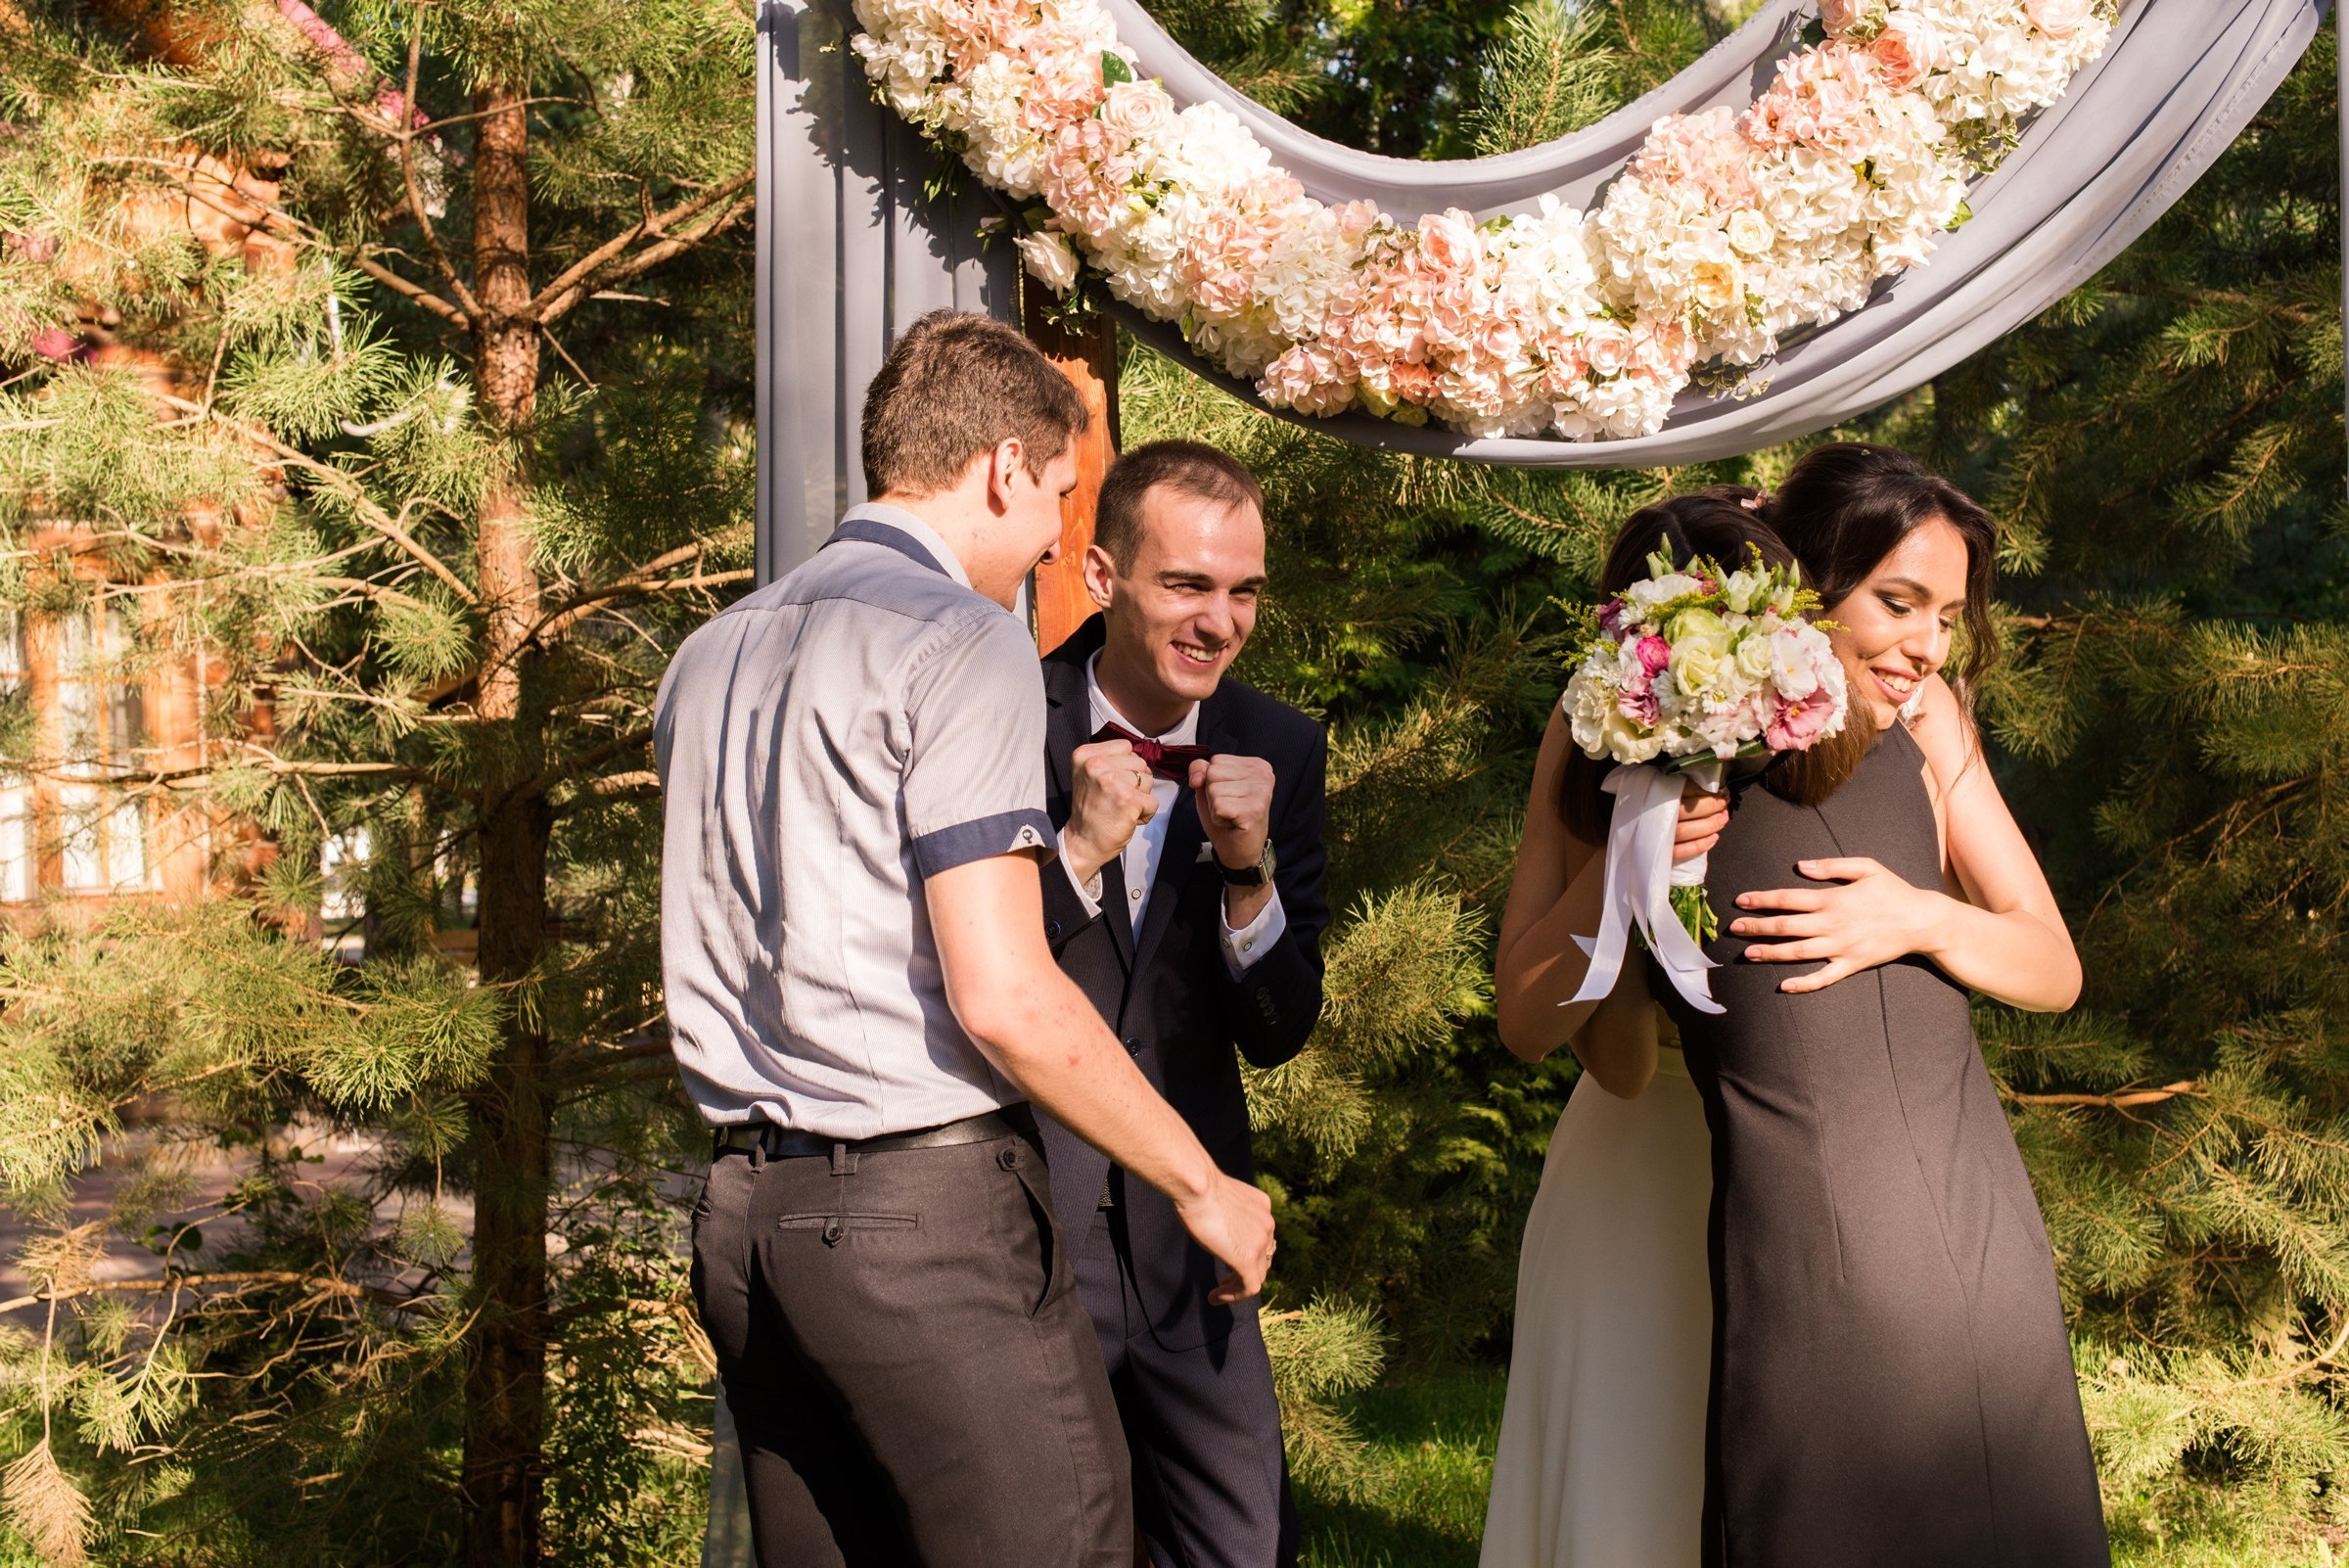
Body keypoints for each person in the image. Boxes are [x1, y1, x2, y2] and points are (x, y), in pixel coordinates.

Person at [655, 311, 1276, 1568]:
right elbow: (1003, 992)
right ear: (1002, 468)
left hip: (740, 1219)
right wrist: (1202, 1183)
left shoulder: (705, 656)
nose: (1057, 536)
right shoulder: (964, 641)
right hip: (917, 1223)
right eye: (1058, 494)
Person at [1669, 442, 2108, 1567]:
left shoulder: (1933, 723)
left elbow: (2053, 965)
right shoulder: (1680, 715)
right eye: (1897, 602)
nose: (1926, 644)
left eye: (1948, 616)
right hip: (1803, 1236)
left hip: (1974, 1214)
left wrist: (1923, 919)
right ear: (1803, 584)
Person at [1479, 492, 1799, 1568]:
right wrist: (1628, 864)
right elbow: (1573, 1042)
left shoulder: (1833, 745)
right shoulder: (1589, 738)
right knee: (1631, 1501)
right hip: (1635, 1176)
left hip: (1802, 1167)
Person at [1035, 439, 1329, 1568]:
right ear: (1104, 576)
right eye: (1188, 585)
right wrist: (1074, 852)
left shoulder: (1281, 746)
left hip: (1191, 1246)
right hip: (1029, 1231)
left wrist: (1247, 875)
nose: (1221, 620)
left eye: (1244, 590)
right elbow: (968, 979)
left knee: (1243, 1544)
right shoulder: (1005, 711)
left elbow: (1280, 1031)